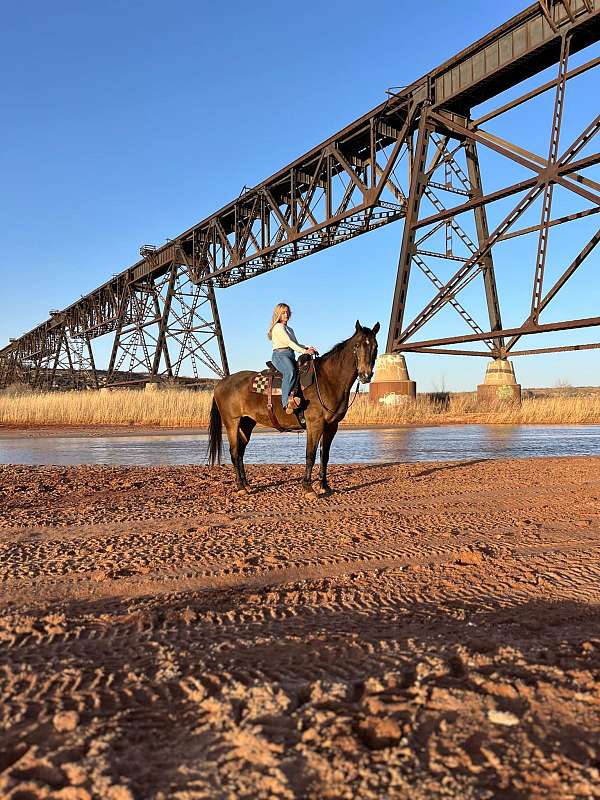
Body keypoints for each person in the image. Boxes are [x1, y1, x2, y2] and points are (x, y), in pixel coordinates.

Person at [267, 303, 318, 413]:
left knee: (300, 372)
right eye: (283, 312)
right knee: (290, 372)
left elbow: (296, 343)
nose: (286, 314)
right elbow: (289, 342)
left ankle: (295, 395)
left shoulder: (290, 329)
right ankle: (285, 403)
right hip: (280, 355)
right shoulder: (278, 327)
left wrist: (308, 347)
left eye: (287, 312)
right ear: (278, 314)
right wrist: (304, 351)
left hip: (290, 354)